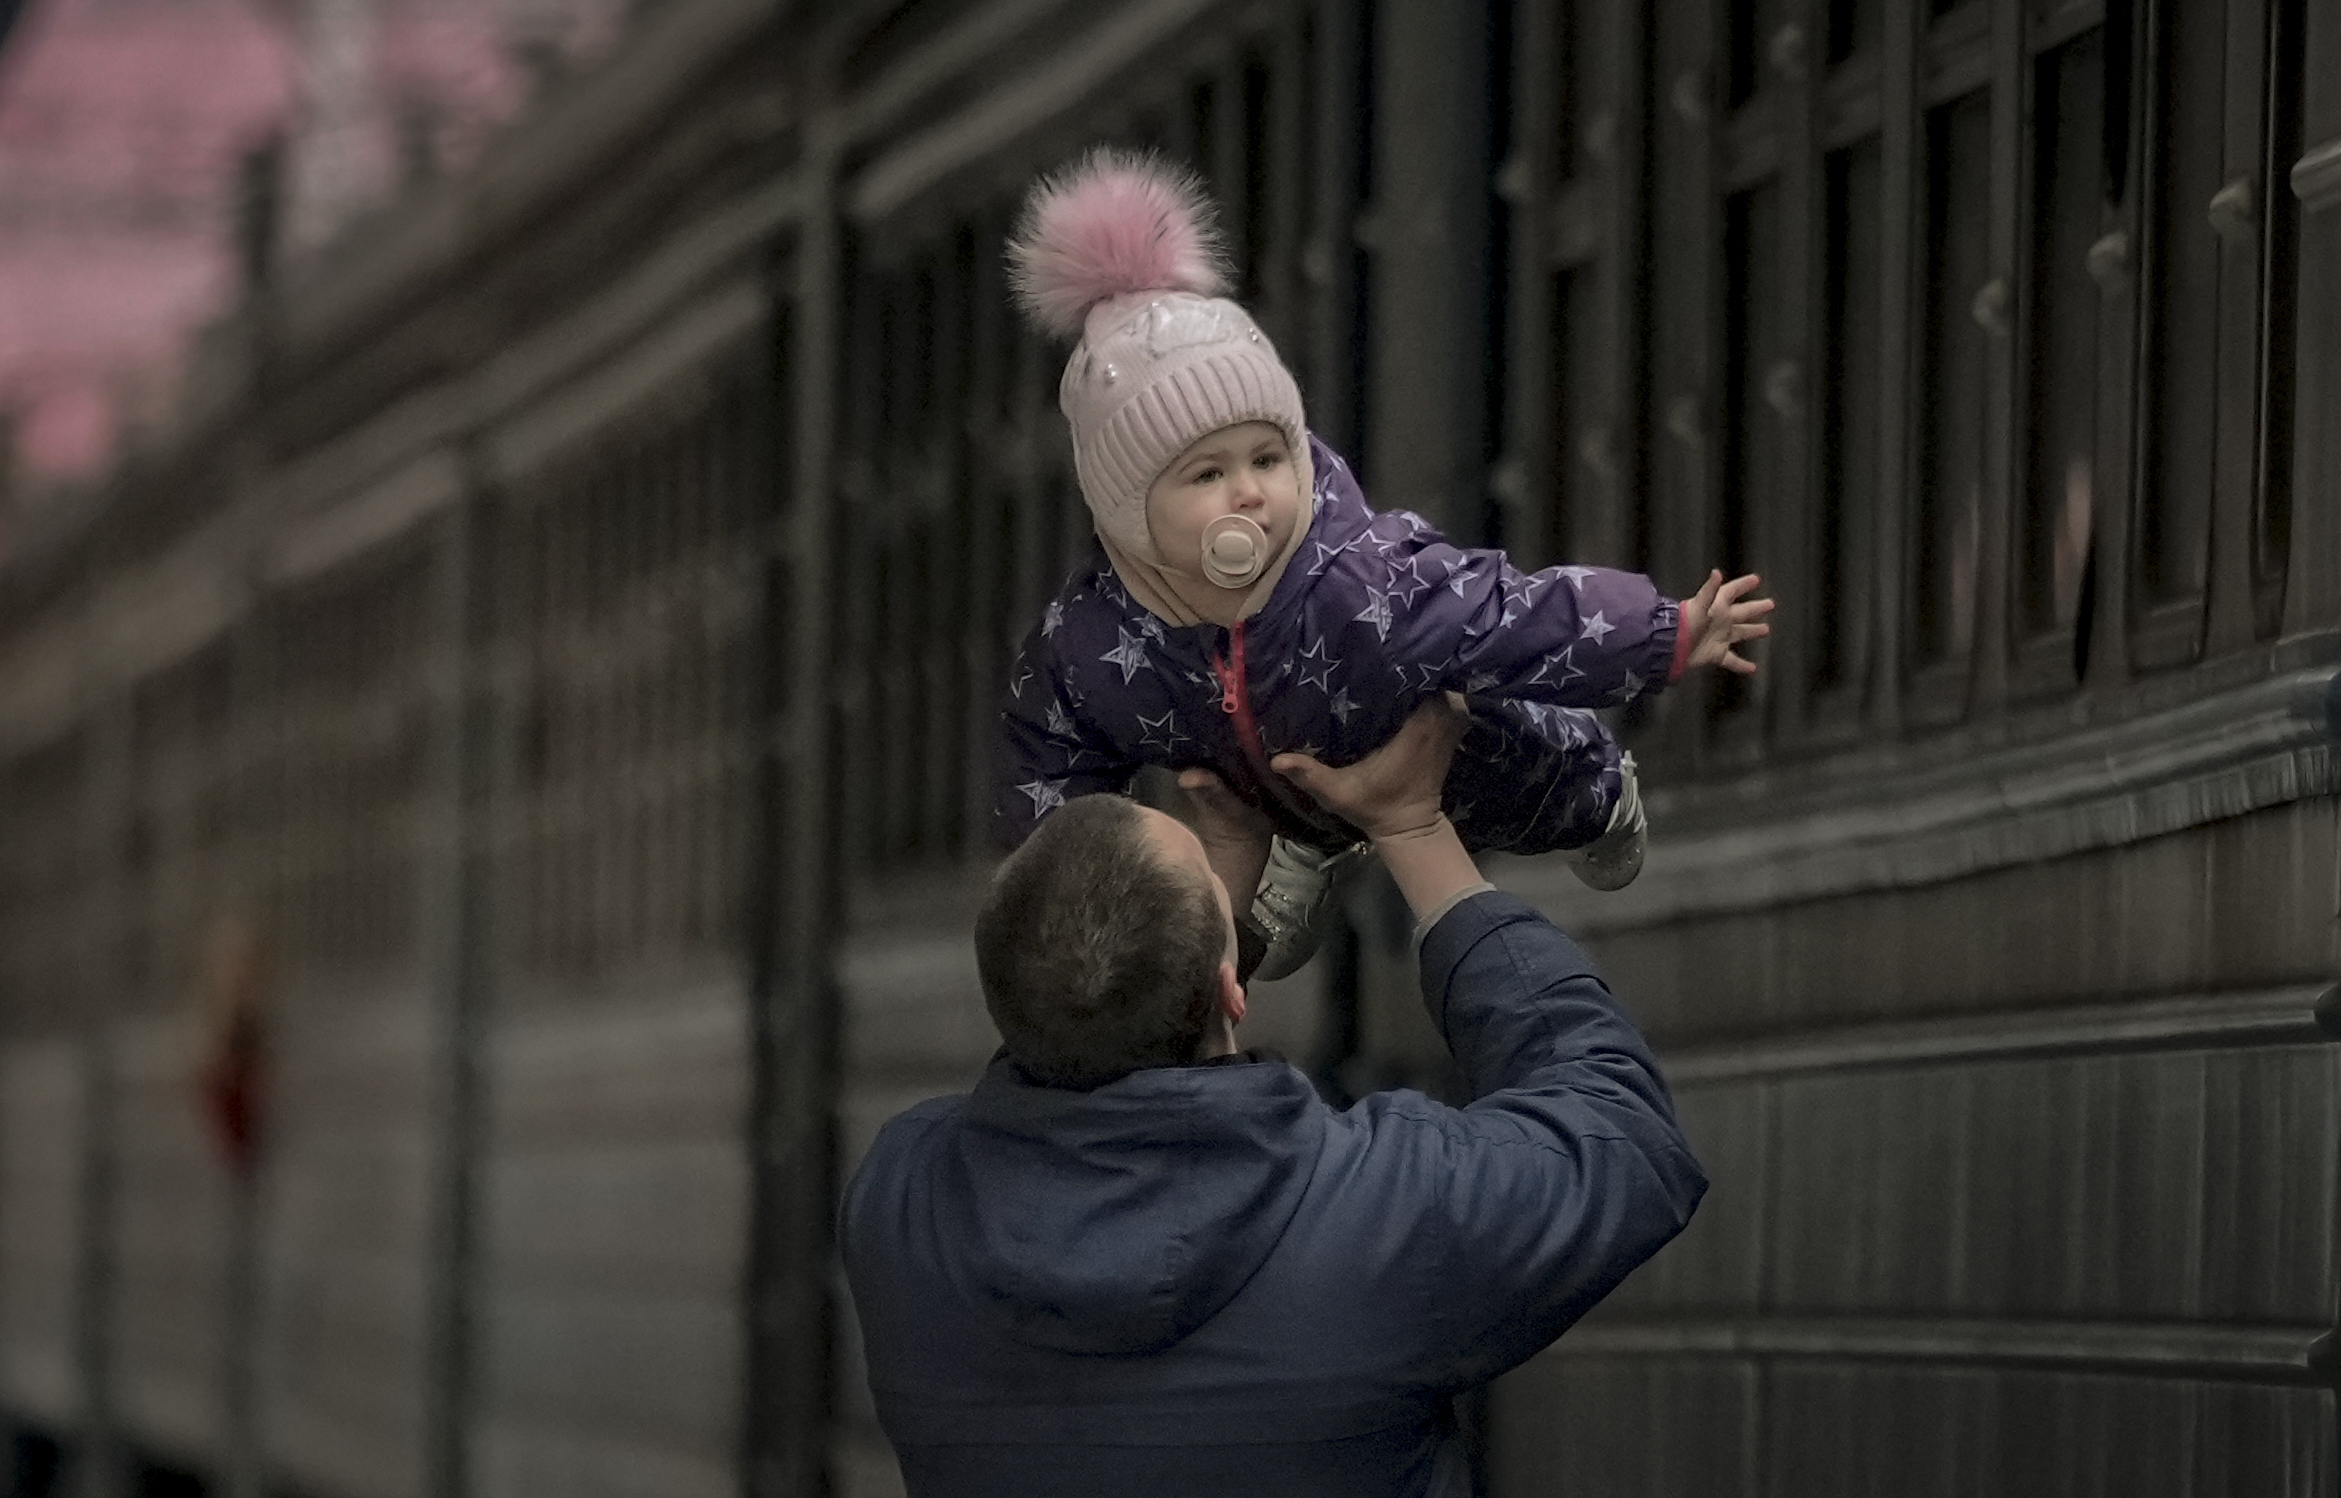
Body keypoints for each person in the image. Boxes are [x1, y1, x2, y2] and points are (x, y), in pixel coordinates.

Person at [843, 696, 1708, 1498]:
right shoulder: (1378, 1222)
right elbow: (1621, 1137)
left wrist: (1212, 920)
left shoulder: (899, 1207)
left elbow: (1077, 1022)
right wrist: (1413, 829)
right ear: (1229, 985)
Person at [993, 148, 1774, 978]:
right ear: (1126, 509)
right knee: (1249, 920)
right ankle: (1310, 842)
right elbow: (1047, 744)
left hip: (1455, 757)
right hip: (1269, 786)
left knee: (1535, 777)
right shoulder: (1096, 640)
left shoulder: (1366, 581)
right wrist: (1046, 888)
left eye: (1267, 458)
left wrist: (1665, 632)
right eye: (1207, 475)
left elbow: (1514, 612)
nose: (1250, 493)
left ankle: (1597, 789)